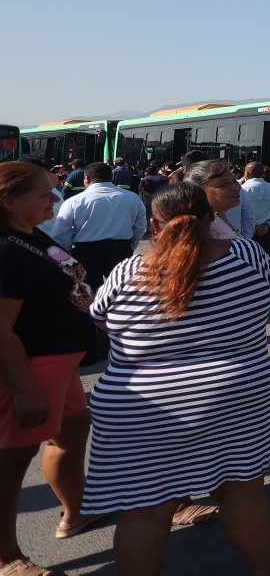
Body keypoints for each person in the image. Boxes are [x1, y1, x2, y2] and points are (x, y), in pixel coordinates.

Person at [83, 182, 270, 575]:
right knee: (241, 490)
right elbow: (262, 298)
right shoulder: (247, 256)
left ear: (154, 227)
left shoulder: (127, 271)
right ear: (212, 219)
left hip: (139, 405)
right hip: (232, 394)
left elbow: (101, 320)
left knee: (145, 510)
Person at [0, 162, 98, 575]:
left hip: (61, 365)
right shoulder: (6, 250)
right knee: (9, 463)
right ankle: (6, 558)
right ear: (9, 201)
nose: (55, 199)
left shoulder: (30, 235)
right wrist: (25, 390)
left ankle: (76, 512)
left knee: (72, 431)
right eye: (43, 194)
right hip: (31, 369)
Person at [49, 163, 146, 290]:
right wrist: (130, 246)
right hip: (120, 249)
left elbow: (61, 234)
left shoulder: (74, 201)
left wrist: (69, 256)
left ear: (87, 179)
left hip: (87, 252)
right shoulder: (132, 198)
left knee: (89, 292)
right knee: (122, 291)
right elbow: (140, 227)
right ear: (111, 177)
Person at [182, 160, 247, 240]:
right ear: (200, 191)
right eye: (224, 184)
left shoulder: (218, 223)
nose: (236, 187)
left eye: (234, 180)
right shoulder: (209, 233)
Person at [241, 162, 270, 260]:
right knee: (267, 264)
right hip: (266, 233)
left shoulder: (242, 190)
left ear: (247, 173)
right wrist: (268, 225)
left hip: (246, 233)